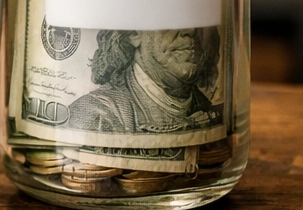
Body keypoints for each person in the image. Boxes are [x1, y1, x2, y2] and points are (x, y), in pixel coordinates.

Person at [64, 26, 220, 135]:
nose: (190, 30)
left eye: (200, 12)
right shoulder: (95, 116)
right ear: (134, 32)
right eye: (172, 15)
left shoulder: (213, 109)